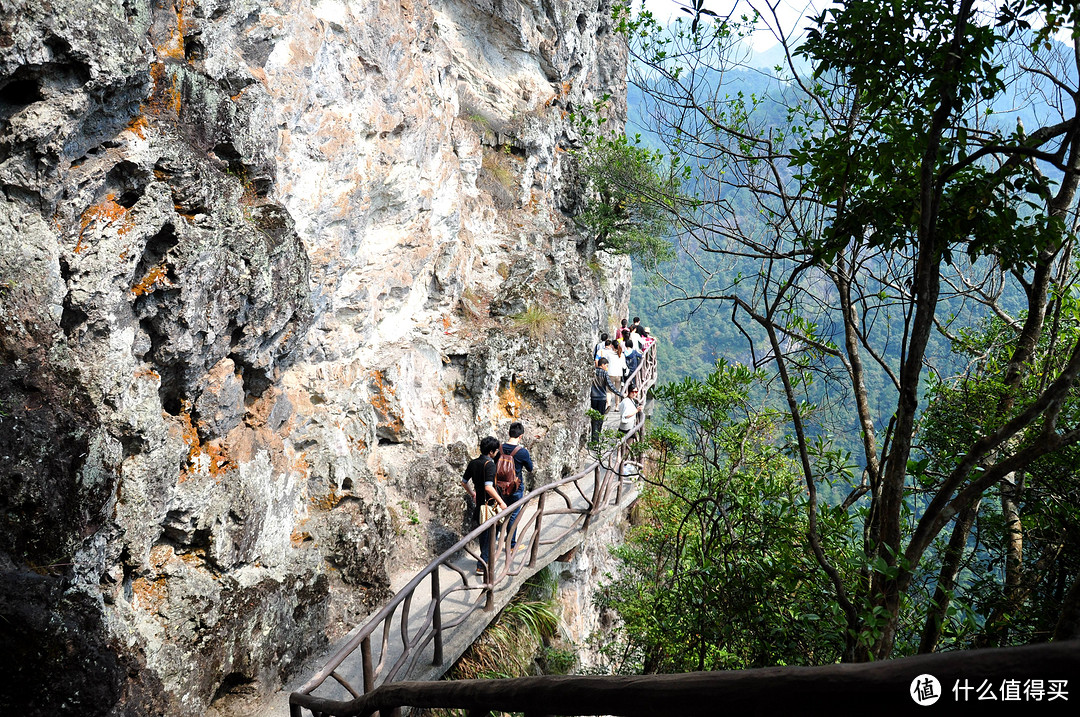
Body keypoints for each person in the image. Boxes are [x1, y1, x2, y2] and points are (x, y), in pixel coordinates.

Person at [461, 436, 507, 573]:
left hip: (480, 503)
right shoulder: (490, 464)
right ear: (491, 452)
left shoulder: (473, 463)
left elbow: (464, 482)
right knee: (491, 533)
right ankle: (483, 564)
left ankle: (485, 560)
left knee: (484, 534)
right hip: (490, 505)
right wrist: (501, 501)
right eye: (496, 451)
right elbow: (489, 487)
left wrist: (473, 494)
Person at [501, 422, 534, 550]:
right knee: (514, 514)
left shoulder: (500, 448)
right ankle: (511, 544)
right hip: (515, 487)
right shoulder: (522, 452)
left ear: (509, 433)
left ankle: (494, 540)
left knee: (500, 512)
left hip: (500, 487)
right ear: (521, 436)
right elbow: (530, 468)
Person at [590, 357, 623, 444]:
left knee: (593, 418)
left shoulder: (593, 372)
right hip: (601, 398)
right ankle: (597, 439)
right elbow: (610, 386)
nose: (607, 367)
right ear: (603, 365)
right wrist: (620, 394)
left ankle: (593, 439)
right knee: (600, 419)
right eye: (606, 365)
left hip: (593, 397)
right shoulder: (604, 373)